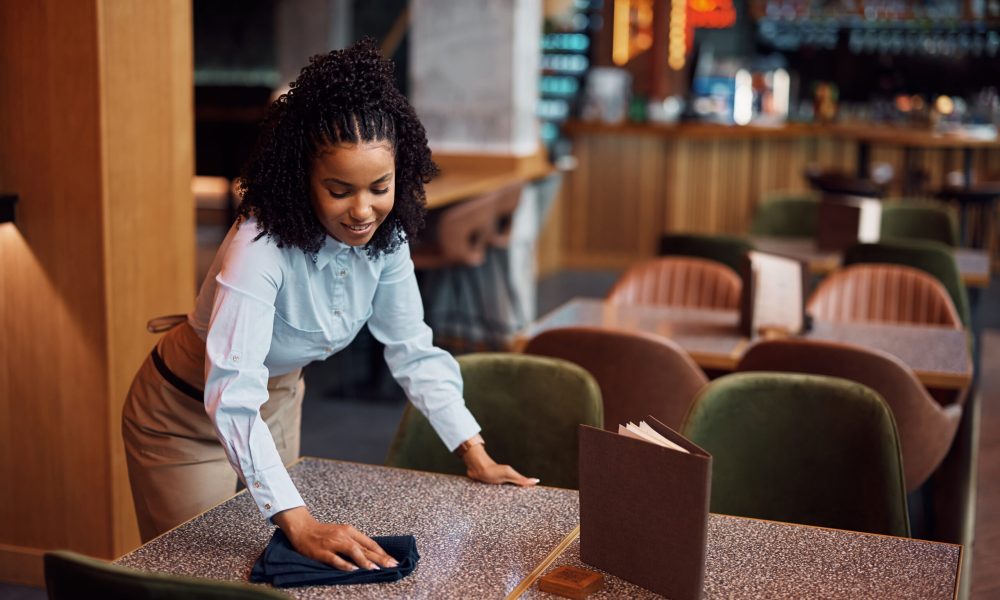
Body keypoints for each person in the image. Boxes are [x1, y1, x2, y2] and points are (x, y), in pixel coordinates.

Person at [122, 38, 537, 572]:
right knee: (210, 579)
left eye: (379, 187)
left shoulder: (386, 239)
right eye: (339, 190)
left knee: (279, 570)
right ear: (303, 181)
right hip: (182, 416)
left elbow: (412, 350)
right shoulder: (259, 247)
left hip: (277, 400)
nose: (363, 211)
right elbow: (231, 395)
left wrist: (475, 454)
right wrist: (298, 518)